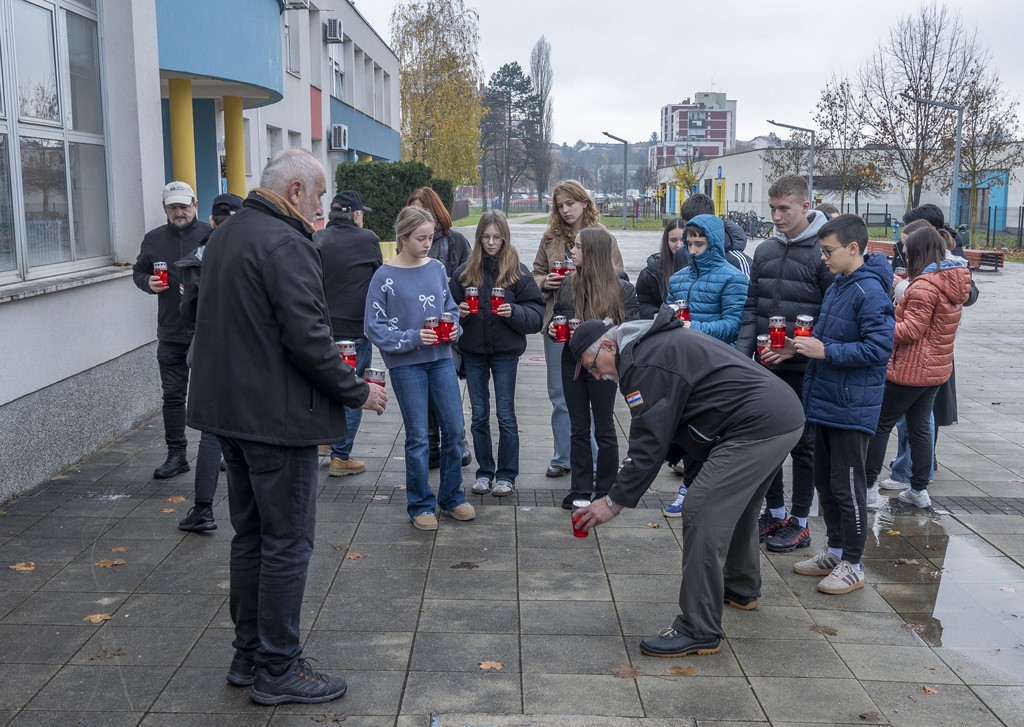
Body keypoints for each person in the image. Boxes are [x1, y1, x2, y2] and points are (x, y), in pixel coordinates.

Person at [187, 149, 387, 705]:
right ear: (295, 190)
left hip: (229, 414)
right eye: (319, 195)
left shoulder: (226, 234)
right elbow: (308, 338)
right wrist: (357, 390)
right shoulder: (286, 242)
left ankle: (248, 655)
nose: (322, 207)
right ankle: (278, 667)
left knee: (252, 537)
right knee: (287, 544)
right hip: (276, 420)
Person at [569, 311, 805, 657]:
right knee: (735, 508)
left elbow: (649, 440)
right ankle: (740, 587)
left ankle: (698, 628)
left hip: (757, 424)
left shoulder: (644, 362)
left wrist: (612, 503)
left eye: (593, 366)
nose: (597, 375)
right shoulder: (648, 347)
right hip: (778, 415)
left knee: (702, 509)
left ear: (608, 345)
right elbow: (667, 423)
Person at [785, 214, 894, 594]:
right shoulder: (839, 285)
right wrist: (798, 347)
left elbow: (879, 349)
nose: (823, 257)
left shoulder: (870, 292)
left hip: (851, 406)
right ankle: (833, 552)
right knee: (826, 482)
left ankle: (854, 563)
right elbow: (826, 337)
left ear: (853, 248)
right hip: (826, 400)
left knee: (847, 487)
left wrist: (825, 351)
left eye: (828, 251)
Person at [736, 174, 834, 553]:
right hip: (766, 363)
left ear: (805, 207)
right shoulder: (765, 251)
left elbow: (833, 314)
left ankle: (801, 521)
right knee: (768, 441)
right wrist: (743, 357)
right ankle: (775, 513)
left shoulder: (823, 252)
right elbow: (752, 307)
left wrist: (800, 347)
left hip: (804, 367)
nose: (776, 216)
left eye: (784, 209)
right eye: (772, 208)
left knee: (803, 446)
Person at [365, 205, 474, 531]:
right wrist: (413, 337)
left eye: (430, 237)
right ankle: (420, 504)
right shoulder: (384, 276)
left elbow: (450, 309)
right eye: (420, 238)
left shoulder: (437, 269)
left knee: (455, 430)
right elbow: (373, 327)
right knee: (418, 437)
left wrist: (455, 329)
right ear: (403, 237)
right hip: (406, 365)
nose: (428, 244)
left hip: (441, 359)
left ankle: (451, 496)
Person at [864, 226, 971, 509]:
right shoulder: (951, 281)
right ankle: (918, 490)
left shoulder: (925, 286)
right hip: (935, 369)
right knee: (920, 427)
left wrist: (881, 322)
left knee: (879, 425)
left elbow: (910, 331)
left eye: (908, 252)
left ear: (919, 252)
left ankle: (868, 487)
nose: (905, 256)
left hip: (909, 371)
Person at [532, 180, 624, 478]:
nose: (565, 210)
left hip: (593, 323)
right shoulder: (550, 237)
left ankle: (595, 461)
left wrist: (586, 277)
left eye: (570, 203)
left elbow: (618, 277)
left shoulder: (602, 237)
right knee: (559, 394)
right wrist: (545, 282)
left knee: (595, 394)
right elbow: (535, 274)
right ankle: (563, 456)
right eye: (559, 205)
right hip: (558, 323)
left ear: (585, 202)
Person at [660, 214, 749, 516]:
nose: (693, 250)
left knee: (710, 433)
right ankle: (689, 487)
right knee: (687, 430)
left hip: (716, 365)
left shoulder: (733, 278)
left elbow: (733, 326)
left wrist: (692, 328)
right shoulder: (679, 278)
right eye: (689, 243)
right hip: (684, 365)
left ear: (714, 242)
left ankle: (700, 491)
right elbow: (667, 312)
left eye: (700, 243)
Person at [450, 210, 544, 497]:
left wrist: (513, 311)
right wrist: (458, 313)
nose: (491, 243)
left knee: (506, 414)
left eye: (497, 238)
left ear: (505, 238)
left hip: (505, 352)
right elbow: (446, 310)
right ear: (479, 238)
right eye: (486, 237)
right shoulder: (465, 272)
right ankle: (484, 472)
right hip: (474, 352)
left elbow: (536, 315)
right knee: (478, 415)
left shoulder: (517, 272)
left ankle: (506, 475)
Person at [549, 227, 638, 508]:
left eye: (577, 247)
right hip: (573, 362)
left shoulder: (621, 288)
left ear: (592, 252)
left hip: (604, 364)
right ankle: (580, 487)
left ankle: (606, 489)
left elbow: (631, 330)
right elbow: (559, 315)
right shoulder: (569, 283)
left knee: (604, 425)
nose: (572, 251)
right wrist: (554, 327)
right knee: (578, 426)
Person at [133, 181, 213, 480]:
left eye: (184, 206)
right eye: (173, 207)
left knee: (213, 396)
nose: (179, 212)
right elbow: (139, 271)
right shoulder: (153, 239)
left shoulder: (211, 234)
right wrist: (147, 282)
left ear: (195, 204)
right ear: (165, 209)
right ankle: (177, 455)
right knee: (173, 395)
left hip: (207, 331)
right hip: (171, 331)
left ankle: (220, 452)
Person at [174, 192, 243, 532]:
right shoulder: (255, 250)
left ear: (212, 221)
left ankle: (203, 510)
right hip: (252, 352)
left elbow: (189, 311)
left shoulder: (199, 255)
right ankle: (259, 515)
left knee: (212, 433)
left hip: (211, 352)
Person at [314, 190, 383, 477]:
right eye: (361, 213)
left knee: (325, 386)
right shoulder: (367, 239)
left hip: (322, 330)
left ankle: (325, 440)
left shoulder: (317, 238)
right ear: (355, 215)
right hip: (355, 331)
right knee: (353, 390)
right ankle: (341, 456)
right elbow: (379, 277)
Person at [406, 187, 473, 469]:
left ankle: (457, 442)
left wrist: (450, 287)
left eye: (424, 209)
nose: (419, 215)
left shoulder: (455, 241)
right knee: (424, 388)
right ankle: (433, 444)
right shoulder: (408, 243)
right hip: (419, 327)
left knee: (445, 387)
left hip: (448, 326)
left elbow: (471, 278)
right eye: (413, 209)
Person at [677, 193, 752, 278]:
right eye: (686, 226)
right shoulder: (681, 254)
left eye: (699, 243)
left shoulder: (737, 260)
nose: (692, 251)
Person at [635, 219, 687, 319]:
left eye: (683, 240)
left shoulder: (700, 267)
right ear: (666, 242)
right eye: (673, 240)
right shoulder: (650, 273)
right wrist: (662, 316)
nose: (679, 245)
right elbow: (643, 304)